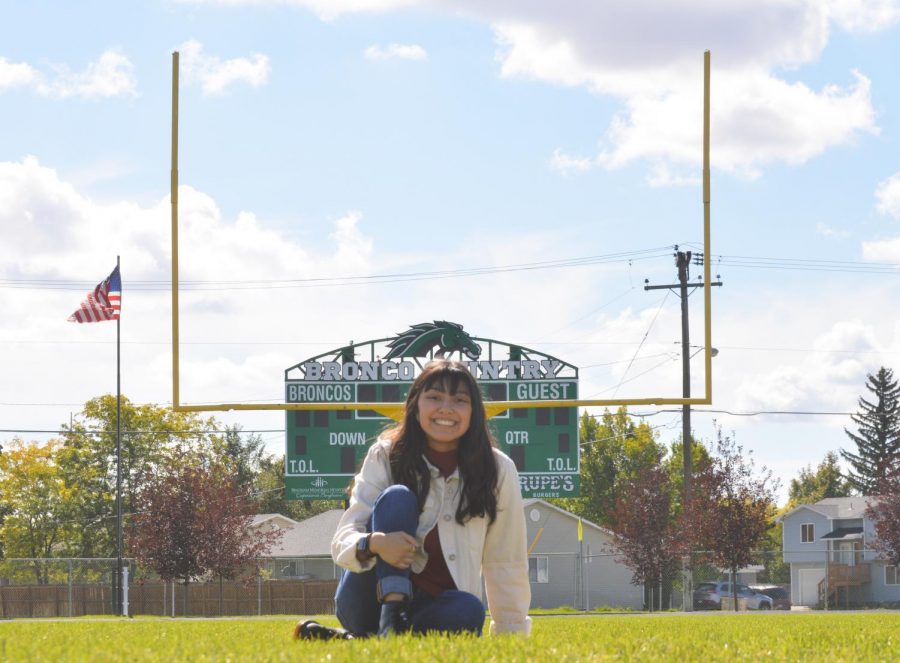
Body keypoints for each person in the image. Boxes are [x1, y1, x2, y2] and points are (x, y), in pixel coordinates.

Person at [297, 359, 531, 639]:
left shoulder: (498, 469)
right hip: (367, 601)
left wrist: (511, 636)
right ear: (415, 405)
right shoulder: (385, 455)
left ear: (474, 412)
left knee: (469, 610)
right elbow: (343, 539)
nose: (446, 408)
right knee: (397, 498)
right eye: (434, 397)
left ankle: (365, 641)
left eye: (459, 400)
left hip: (435, 607)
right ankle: (389, 621)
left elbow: (505, 559)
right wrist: (376, 543)